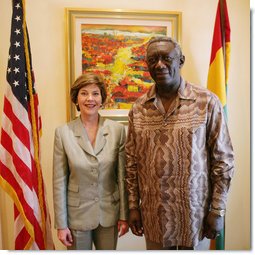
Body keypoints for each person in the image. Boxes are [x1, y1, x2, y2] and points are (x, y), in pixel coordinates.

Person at [125, 36, 234, 250]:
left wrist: (218, 209)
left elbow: (224, 160)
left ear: (180, 61)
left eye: (167, 58)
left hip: (196, 220)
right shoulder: (138, 109)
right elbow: (131, 163)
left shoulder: (206, 103)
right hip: (154, 218)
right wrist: (133, 206)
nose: (159, 65)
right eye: (153, 60)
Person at [53, 72, 129, 250]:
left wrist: (124, 215)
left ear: (102, 98)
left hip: (109, 214)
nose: (90, 99)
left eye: (95, 93)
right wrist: (61, 224)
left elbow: (122, 177)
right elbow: (59, 182)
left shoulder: (117, 130)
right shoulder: (63, 133)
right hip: (76, 216)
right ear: (76, 98)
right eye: (84, 93)